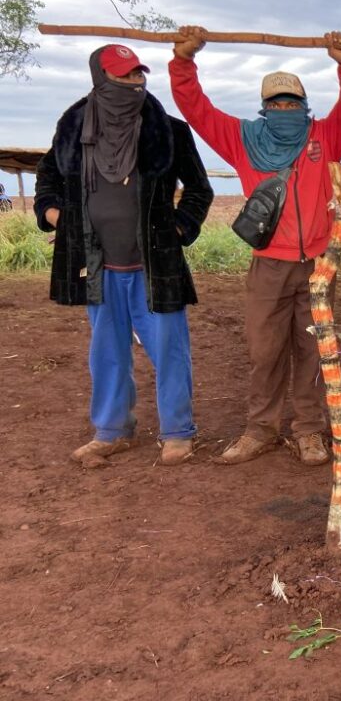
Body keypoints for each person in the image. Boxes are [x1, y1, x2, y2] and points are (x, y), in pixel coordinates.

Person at [169, 26, 341, 466]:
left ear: (303, 107)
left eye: (292, 103)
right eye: (276, 104)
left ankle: (310, 432)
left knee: (312, 350)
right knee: (264, 351)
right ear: (263, 108)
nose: (284, 110)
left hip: (317, 265)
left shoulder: (325, 137)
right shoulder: (242, 139)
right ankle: (260, 429)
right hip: (267, 266)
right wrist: (183, 62)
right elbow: (196, 109)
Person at [34, 44, 213, 467]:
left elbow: (200, 190)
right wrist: (54, 214)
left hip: (155, 265)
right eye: (124, 75)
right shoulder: (73, 127)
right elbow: (48, 175)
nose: (135, 82)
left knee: (169, 349)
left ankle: (177, 431)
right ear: (101, 77)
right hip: (96, 265)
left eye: (138, 74)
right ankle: (112, 431)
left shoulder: (168, 131)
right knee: (106, 351)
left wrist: (180, 227)